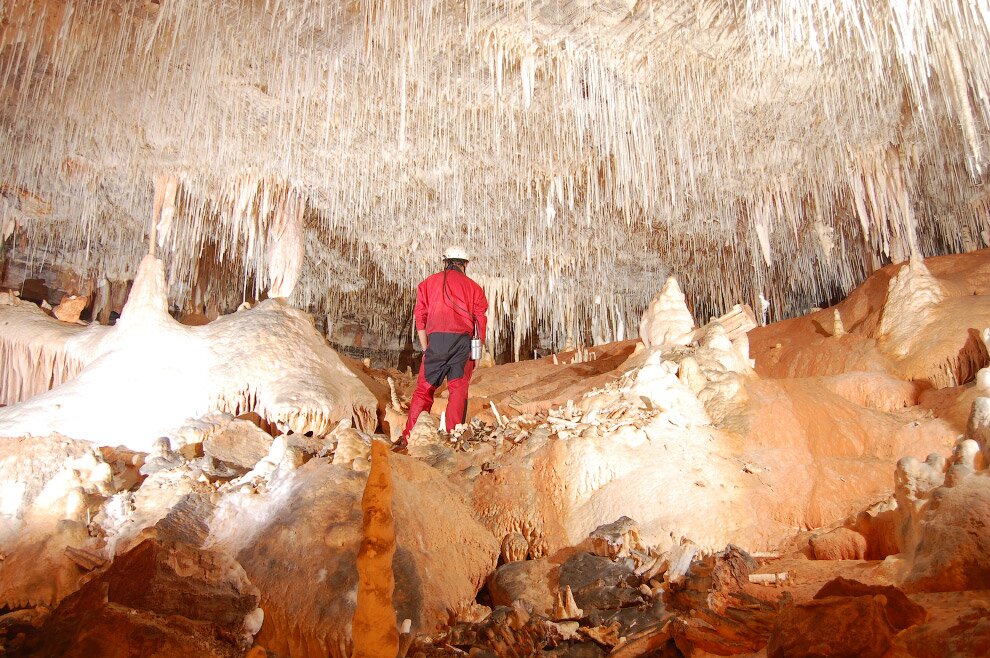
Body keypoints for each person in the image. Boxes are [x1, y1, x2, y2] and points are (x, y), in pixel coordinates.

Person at [400, 246, 488, 445]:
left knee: (424, 390)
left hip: (436, 341)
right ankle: (454, 436)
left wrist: (426, 348)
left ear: (445, 262)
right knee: (458, 389)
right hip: (462, 343)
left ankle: (410, 437)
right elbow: (479, 323)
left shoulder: (427, 284)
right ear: (464, 264)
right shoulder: (474, 288)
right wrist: (477, 356)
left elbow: (420, 317)